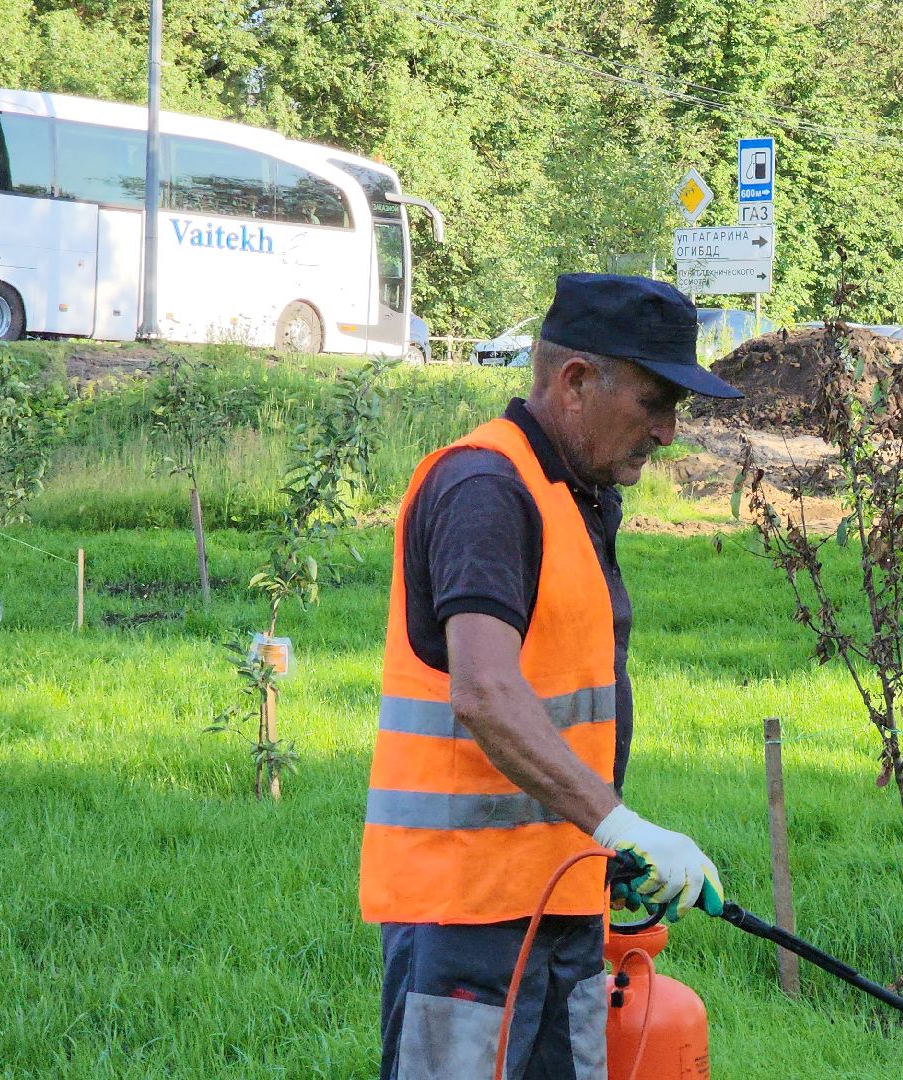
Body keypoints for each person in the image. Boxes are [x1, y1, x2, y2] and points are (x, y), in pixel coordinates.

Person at [360, 273, 743, 1080]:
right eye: (655, 402)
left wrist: (608, 845)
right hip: (466, 917)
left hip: (561, 904)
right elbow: (485, 691)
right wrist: (621, 825)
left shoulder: (575, 495)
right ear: (575, 381)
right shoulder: (485, 489)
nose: (669, 432)